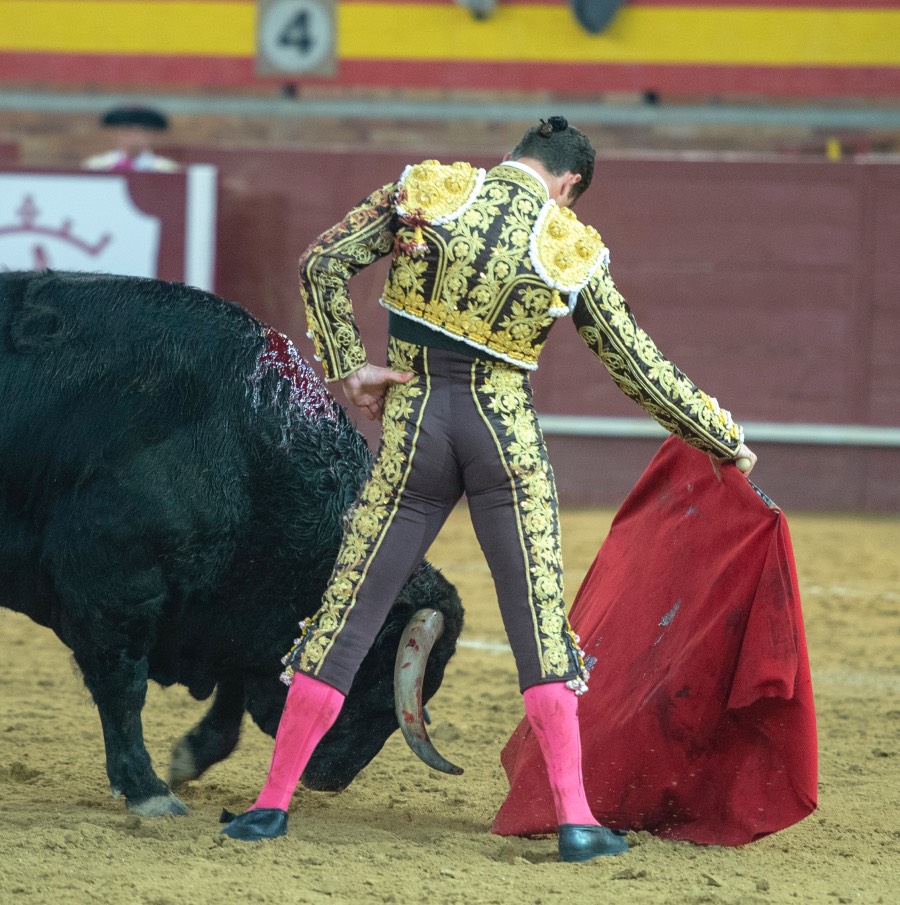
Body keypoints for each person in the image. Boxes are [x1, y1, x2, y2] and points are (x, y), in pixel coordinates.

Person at [220, 115, 757, 862]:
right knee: (539, 623)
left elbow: (321, 264)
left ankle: (270, 805)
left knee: (349, 607)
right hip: (503, 437)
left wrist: (350, 367)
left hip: (414, 428)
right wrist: (720, 435)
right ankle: (575, 819)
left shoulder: (428, 190)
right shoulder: (569, 242)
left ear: (515, 158)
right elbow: (637, 364)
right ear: (568, 184)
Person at [81, 106, 180, 173]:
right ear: (116, 134)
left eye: (140, 131)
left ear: (150, 135)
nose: (132, 136)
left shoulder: (166, 169)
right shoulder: (96, 166)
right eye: (127, 130)